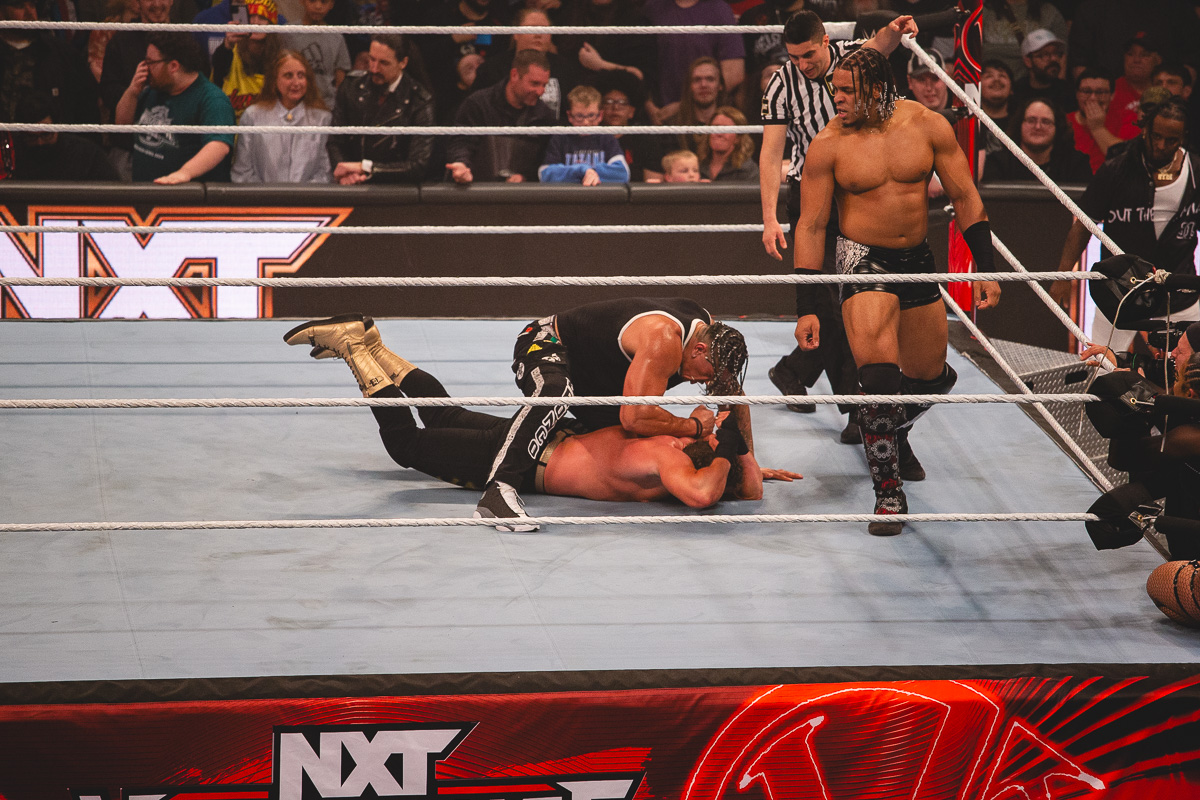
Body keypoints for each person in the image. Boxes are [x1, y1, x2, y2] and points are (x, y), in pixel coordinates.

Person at [792, 46, 1001, 536]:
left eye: (847, 90)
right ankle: (888, 492)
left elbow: (965, 195)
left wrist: (987, 270)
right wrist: (807, 306)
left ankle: (888, 426)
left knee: (932, 378)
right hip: (861, 258)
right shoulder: (828, 144)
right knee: (880, 378)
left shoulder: (928, 126)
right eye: (835, 90)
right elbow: (811, 225)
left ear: (876, 89)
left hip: (917, 260)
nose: (836, 98)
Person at [283, 316, 800, 510]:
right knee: (410, 444)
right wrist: (731, 450)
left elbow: (727, 484)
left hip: (542, 439)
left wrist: (733, 447)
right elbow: (709, 493)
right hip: (532, 459)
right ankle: (356, 350)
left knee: (442, 420)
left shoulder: (671, 445)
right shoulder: (670, 459)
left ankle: (372, 347)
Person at [759, 10, 918, 443]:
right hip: (810, 196)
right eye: (794, 57)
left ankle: (793, 370)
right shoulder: (781, 84)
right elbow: (771, 153)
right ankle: (856, 409)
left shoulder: (852, 62)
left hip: (857, 190)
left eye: (809, 55)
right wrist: (770, 217)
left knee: (858, 296)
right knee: (834, 303)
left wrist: (896, 30)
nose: (802, 65)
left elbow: (881, 45)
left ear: (826, 41)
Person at [1051, 97, 1199, 347]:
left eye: (1171, 140)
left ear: (1182, 138)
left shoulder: (1196, 170)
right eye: (1156, 136)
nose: (1161, 145)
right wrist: (1064, 275)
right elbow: (1083, 225)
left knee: (1190, 365)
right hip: (1121, 290)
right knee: (1102, 363)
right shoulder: (1116, 169)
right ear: (1145, 130)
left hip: (1179, 292)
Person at [114, 31, 236, 183]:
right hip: (145, 191)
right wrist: (132, 91)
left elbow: (219, 146)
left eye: (150, 62)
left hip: (185, 194)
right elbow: (122, 125)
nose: (145, 68)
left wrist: (184, 173)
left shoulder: (212, 99)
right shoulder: (151, 90)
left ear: (173, 66)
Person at [326, 34, 434, 185]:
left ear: (403, 63)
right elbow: (335, 141)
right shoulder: (351, 88)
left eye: (384, 63)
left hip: (395, 190)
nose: (374, 68)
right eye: (372, 59)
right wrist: (346, 173)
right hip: (350, 185)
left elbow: (418, 165)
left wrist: (365, 168)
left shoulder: (419, 101)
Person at [446, 48, 557, 184]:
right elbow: (461, 143)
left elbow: (544, 161)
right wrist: (461, 165)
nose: (540, 91)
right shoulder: (478, 104)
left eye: (544, 85)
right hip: (475, 187)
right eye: (534, 83)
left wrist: (525, 177)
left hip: (520, 193)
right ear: (514, 75)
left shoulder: (544, 115)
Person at [232, 49, 331, 183]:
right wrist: (269, 195)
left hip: (309, 196)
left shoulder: (323, 119)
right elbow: (242, 172)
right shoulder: (253, 116)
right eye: (288, 76)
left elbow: (325, 173)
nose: (296, 83)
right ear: (274, 80)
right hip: (261, 195)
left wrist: (302, 195)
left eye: (301, 75)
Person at [473, 8, 580, 119]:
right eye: (532, 28)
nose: (538, 35)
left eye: (545, 29)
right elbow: (476, 110)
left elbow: (572, 112)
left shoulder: (565, 69)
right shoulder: (491, 69)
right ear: (516, 34)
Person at [643, 0, 744, 114]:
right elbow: (642, 63)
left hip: (707, 112)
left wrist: (683, 106)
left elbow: (734, 74)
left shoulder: (719, 10)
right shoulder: (653, 8)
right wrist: (648, 104)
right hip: (660, 111)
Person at [981, 97, 1093, 183]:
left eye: (1046, 122)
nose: (1038, 127)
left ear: (1057, 127)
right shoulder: (997, 162)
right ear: (1020, 125)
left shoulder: (1076, 164)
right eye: (1031, 120)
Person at [11, 93, 120, 180]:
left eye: (46, 134)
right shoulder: (11, 155)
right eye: (31, 137)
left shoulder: (86, 155)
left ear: (58, 127)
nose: (40, 143)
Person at [538, 84, 630, 184]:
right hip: (568, 193)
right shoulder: (560, 138)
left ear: (600, 115)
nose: (586, 122)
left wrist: (590, 172)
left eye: (591, 115)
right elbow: (545, 174)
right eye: (579, 116)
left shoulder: (607, 138)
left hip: (599, 193)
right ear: (570, 116)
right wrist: (582, 170)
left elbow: (622, 173)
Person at [210, 0, 281, 120]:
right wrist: (227, 44)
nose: (255, 23)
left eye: (262, 18)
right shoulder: (228, 51)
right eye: (251, 16)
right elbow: (218, 71)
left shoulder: (279, 58)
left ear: (271, 23)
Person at [280, 0, 351, 110]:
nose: (318, 6)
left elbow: (340, 81)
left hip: (326, 105)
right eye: (312, 1)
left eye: (324, 2)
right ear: (302, 1)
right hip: (293, 104)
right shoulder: (287, 33)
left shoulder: (336, 38)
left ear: (331, 4)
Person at [979, 0, 1068, 80]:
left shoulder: (1049, 12)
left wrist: (1059, 88)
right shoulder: (983, 10)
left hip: (1034, 86)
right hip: (992, 84)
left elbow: (1062, 57)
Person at [598, 70, 662, 182]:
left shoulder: (645, 140)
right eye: (609, 102)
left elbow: (653, 185)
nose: (615, 108)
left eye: (622, 103)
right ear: (600, 110)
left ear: (631, 111)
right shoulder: (588, 137)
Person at [1106, 33, 1164, 142]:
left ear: (1158, 60)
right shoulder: (1108, 90)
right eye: (1130, 54)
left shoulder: (1164, 91)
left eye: (1145, 55)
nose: (1136, 60)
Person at [1067, 69, 1122, 173]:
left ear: (1112, 95)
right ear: (1077, 94)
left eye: (1100, 92)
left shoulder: (1127, 119)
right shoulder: (1064, 122)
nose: (1093, 98)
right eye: (1086, 91)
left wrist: (1097, 128)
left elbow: (1126, 161)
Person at [1010, 28, 1074, 114]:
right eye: (1045, 54)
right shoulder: (1016, 92)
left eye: (1056, 53)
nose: (1053, 59)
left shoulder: (1068, 92)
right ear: (1028, 61)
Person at [696, 106, 758, 182]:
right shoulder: (696, 166)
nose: (719, 134)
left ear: (738, 137)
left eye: (726, 129)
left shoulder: (748, 170)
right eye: (716, 128)